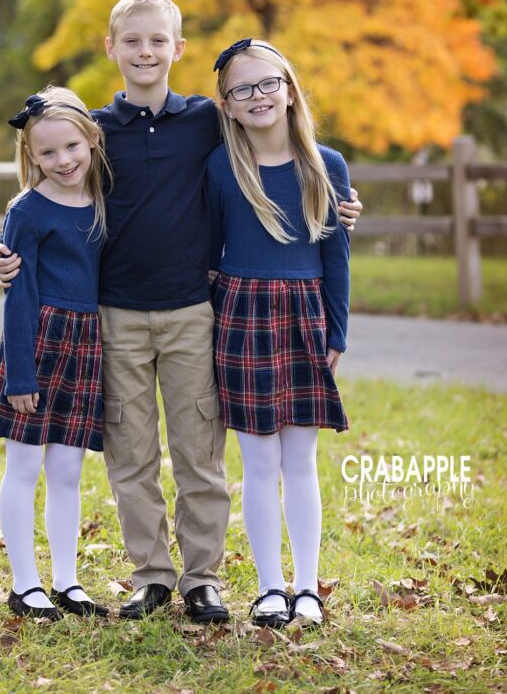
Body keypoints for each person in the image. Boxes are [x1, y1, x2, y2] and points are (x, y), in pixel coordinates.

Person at [0, 0, 362, 623]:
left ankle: (202, 578)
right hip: (115, 313)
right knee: (131, 453)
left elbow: (277, 152)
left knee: (200, 450)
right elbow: (48, 181)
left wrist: (343, 207)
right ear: (111, 48)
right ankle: (151, 576)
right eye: (132, 41)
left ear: (177, 49)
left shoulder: (207, 122)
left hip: (196, 310)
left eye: (157, 41)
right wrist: (4, 253)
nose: (145, 52)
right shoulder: (94, 133)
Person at [208, 38, 351, 628]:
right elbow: (206, 249)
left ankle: (306, 588)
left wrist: (336, 332)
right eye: (243, 89)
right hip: (241, 315)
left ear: (290, 90)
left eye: (269, 83)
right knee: (258, 462)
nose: (258, 96)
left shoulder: (327, 164)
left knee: (300, 460)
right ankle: (269, 587)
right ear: (230, 106)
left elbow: (336, 255)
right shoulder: (221, 167)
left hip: (304, 314)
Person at [0, 86, 112, 620]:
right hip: (37, 341)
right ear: (31, 157)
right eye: (47, 153)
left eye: (71, 147)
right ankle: (25, 585)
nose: (63, 161)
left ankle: (66, 580)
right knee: (24, 466)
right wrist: (20, 375)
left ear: (91, 140)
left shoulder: (104, 197)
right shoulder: (28, 209)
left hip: (85, 343)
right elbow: (18, 294)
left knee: (67, 470)